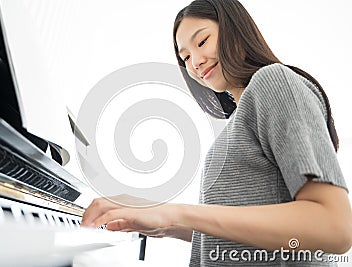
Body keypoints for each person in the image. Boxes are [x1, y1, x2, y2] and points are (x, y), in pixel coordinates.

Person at [82, 0, 352, 265]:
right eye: (185, 57)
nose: (195, 63)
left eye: (202, 42)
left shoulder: (273, 82)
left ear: (234, 29)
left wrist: (177, 214)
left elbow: (335, 227)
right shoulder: (237, 119)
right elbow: (236, 234)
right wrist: (156, 216)